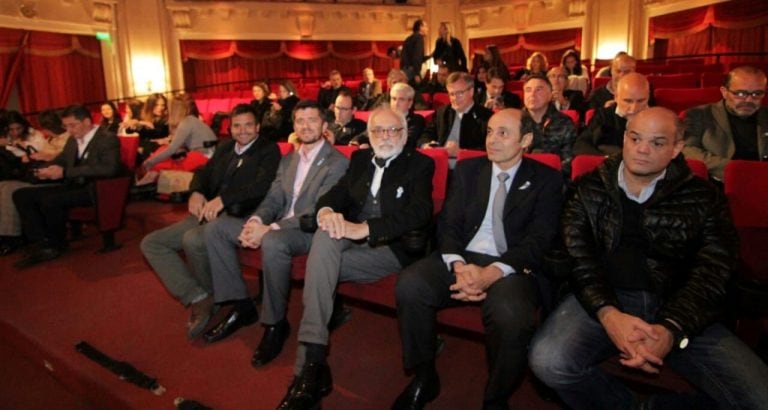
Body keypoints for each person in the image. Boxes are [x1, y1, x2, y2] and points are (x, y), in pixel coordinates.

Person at [529, 106, 768, 410]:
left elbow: (714, 271)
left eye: (656, 143)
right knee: (548, 361)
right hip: (604, 297)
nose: (642, 150)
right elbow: (579, 259)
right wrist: (608, 314)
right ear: (625, 138)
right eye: (635, 138)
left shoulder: (704, 197)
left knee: (761, 397)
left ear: (676, 148)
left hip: (678, 304)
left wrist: (672, 327)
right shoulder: (588, 188)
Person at [393, 108, 563, 410]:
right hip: (464, 256)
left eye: (503, 133)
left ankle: (496, 397)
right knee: (411, 284)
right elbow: (449, 223)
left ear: (525, 140)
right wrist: (458, 266)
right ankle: (424, 376)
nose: (492, 140)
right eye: (489, 132)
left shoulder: (546, 179)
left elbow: (540, 239)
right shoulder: (470, 171)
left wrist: (493, 272)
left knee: (511, 314)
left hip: (511, 265)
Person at [276, 107, 434, 410]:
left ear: (404, 133)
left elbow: (419, 213)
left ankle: (307, 372)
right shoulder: (360, 159)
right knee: (324, 234)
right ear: (369, 134)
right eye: (378, 131)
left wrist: (365, 228)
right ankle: (314, 363)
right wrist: (325, 211)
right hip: (350, 239)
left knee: (318, 268)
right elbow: (338, 194)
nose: (385, 136)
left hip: (391, 247)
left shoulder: (420, 165)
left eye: (393, 130)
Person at [203, 100, 348, 362]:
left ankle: (275, 324)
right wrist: (256, 221)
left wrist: (269, 228)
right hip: (275, 225)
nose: (306, 126)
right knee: (216, 228)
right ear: (294, 125)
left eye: (312, 120)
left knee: (272, 242)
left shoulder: (337, 162)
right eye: (300, 121)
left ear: (325, 125)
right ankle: (240, 303)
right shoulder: (289, 159)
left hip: (307, 230)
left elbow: (318, 209)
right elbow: (273, 197)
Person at [140, 104, 280, 339]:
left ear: (257, 127)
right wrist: (196, 192)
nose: (242, 130)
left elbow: (262, 187)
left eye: (248, 125)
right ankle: (200, 296)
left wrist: (224, 199)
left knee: (192, 239)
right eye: (237, 125)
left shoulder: (268, 150)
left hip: (241, 214)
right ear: (230, 128)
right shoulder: (225, 148)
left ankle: (214, 297)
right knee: (151, 243)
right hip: (208, 212)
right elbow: (203, 173)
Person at [12, 105, 121, 268]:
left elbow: (108, 168)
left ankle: (56, 244)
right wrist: (44, 169)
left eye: (72, 125)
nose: (68, 130)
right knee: (21, 194)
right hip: (73, 184)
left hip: (94, 189)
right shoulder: (73, 139)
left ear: (86, 121)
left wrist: (65, 172)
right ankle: (41, 242)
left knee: (50, 199)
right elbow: (62, 159)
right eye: (66, 126)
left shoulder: (107, 138)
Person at [0, 110, 69, 256]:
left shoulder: (64, 139)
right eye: (11, 129)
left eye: (18, 128)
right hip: (35, 171)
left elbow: (64, 157)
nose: (15, 132)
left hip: (48, 175)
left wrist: (42, 156)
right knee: (5, 186)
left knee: (9, 189)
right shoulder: (52, 139)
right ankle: (14, 236)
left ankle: (15, 237)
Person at [682, 65, 768, 180]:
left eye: (757, 94)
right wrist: (737, 170)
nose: (749, 100)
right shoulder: (700, 114)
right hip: (717, 183)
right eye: (740, 94)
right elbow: (688, 150)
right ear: (724, 92)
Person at [419, 71, 493, 163]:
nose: (455, 98)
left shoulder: (486, 116)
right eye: (451, 94)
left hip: (470, 166)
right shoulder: (443, 112)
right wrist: (426, 145)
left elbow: (488, 148)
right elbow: (425, 134)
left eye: (459, 93)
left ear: (471, 91)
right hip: (440, 163)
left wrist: (460, 152)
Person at [139, 94, 217, 178]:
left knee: (163, 162)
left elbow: (172, 149)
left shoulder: (186, 123)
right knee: (164, 154)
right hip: (205, 155)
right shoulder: (190, 120)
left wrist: (149, 162)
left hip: (205, 158)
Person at [574, 72, 650, 156]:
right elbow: (581, 145)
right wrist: (608, 161)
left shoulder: (659, 119)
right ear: (616, 97)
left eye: (641, 101)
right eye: (628, 101)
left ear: (648, 97)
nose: (634, 108)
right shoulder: (603, 116)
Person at [520, 74, 577, 174]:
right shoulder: (514, 121)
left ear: (550, 95)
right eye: (528, 90)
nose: (532, 94)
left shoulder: (564, 123)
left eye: (539, 90)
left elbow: (569, 161)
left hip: (552, 178)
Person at [389, 82, 426, 150]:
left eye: (401, 100)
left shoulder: (416, 120)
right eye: (394, 99)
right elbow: (366, 135)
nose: (396, 104)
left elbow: (407, 141)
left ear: (410, 103)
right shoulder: (382, 118)